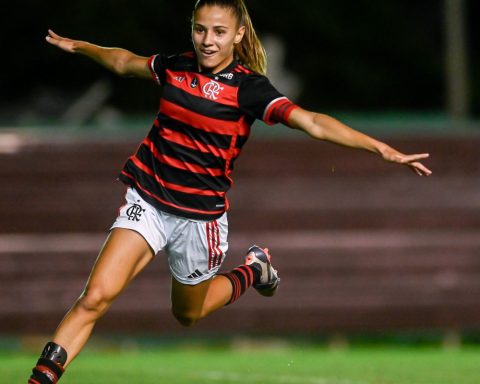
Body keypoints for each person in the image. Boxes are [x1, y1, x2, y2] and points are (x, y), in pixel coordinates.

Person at [28, 0, 432, 382]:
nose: (208, 40)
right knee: (95, 297)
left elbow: (312, 122)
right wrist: (80, 46)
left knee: (187, 314)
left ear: (238, 35)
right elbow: (121, 61)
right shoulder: (175, 66)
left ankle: (254, 270)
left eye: (219, 32)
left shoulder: (249, 89)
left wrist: (380, 148)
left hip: (199, 220)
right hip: (148, 201)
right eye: (200, 30)